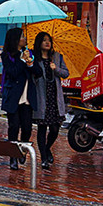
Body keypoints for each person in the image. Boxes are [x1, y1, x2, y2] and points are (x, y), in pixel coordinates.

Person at [29, 31, 69, 169]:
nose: (47, 43)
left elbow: (66, 73)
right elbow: (31, 76)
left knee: (54, 128)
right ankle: (44, 158)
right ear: (39, 43)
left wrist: (55, 68)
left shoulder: (57, 57)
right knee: (41, 128)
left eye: (49, 40)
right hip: (41, 97)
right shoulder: (34, 58)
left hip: (54, 97)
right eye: (44, 40)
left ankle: (47, 148)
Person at [0, 27, 34, 170]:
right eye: (22, 36)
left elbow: (36, 72)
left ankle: (23, 150)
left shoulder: (28, 54)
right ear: (15, 39)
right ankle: (13, 157)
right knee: (14, 127)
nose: (24, 39)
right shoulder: (7, 56)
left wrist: (30, 63)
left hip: (27, 97)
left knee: (27, 128)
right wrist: (21, 61)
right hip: (13, 96)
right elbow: (13, 72)